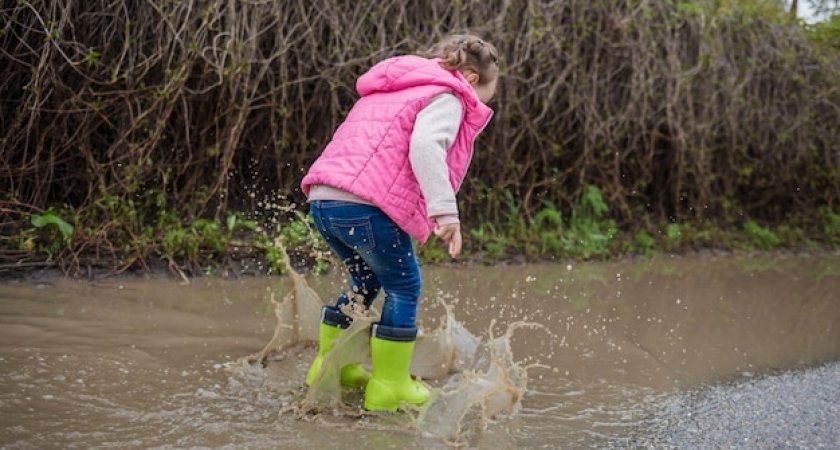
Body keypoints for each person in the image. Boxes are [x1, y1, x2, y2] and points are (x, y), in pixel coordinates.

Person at [300, 34, 499, 412]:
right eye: (486, 95)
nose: (479, 106)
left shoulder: (394, 87)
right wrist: (446, 213)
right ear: (471, 78)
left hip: (324, 199)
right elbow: (425, 147)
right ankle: (389, 386)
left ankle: (331, 368)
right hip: (364, 204)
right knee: (404, 286)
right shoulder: (448, 95)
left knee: (366, 281)